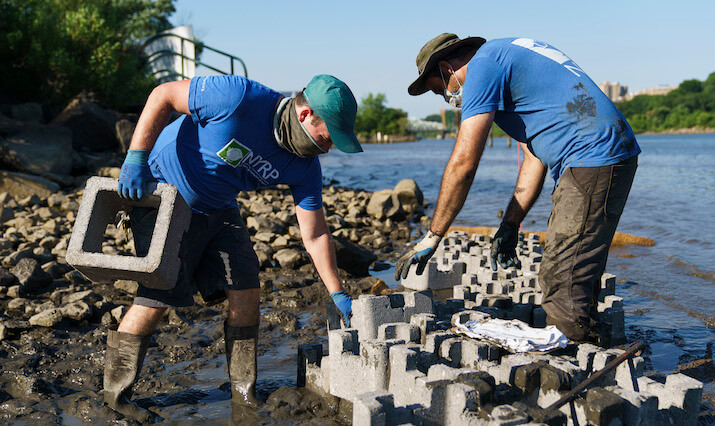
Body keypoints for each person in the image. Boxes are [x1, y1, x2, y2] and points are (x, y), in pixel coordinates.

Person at [105, 74, 360, 420]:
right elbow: (163, 94)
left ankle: (244, 392)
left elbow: (314, 235)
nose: (328, 149)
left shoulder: (305, 168)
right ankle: (116, 397)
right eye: (328, 138)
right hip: (163, 192)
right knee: (157, 298)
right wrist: (136, 158)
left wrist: (336, 292)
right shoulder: (237, 98)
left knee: (246, 290)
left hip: (219, 206)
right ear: (305, 115)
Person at [395, 33, 640, 344]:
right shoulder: (503, 57)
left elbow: (464, 164)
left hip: (592, 155)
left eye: (442, 91)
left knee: (560, 281)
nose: (448, 100)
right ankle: (593, 339)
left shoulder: (483, 65)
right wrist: (510, 223)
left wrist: (433, 235)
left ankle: (580, 365)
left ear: (446, 69)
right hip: (602, 154)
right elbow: (532, 159)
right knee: (575, 264)